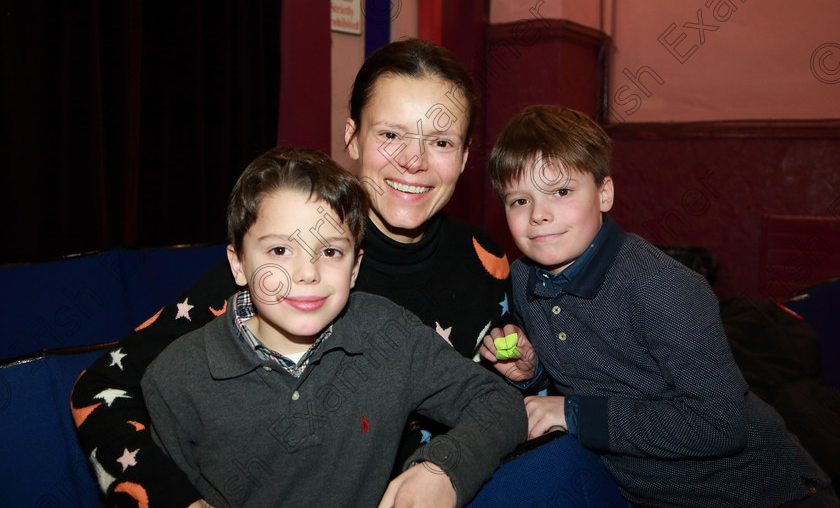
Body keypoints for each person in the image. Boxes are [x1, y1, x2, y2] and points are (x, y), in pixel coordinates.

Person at [71, 38, 519, 508]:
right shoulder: (282, 272)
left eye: (441, 141)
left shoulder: (484, 256)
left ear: (466, 157)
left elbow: (506, 392)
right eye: (391, 134)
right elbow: (103, 389)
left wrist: (450, 463)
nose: (414, 160)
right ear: (352, 137)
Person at [480, 105, 837, 507]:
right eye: (519, 200)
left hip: (762, 495)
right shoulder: (526, 278)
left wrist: (577, 415)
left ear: (604, 193)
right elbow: (583, 379)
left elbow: (719, 425)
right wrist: (531, 372)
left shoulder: (661, 287)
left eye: (561, 192)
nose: (539, 215)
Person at [140, 147, 526, 508]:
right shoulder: (177, 377)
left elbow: (500, 405)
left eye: (329, 252)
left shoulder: (388, 334)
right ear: (238, 264)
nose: (307, 273)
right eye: (279, 250)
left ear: (355, 268)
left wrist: (443, 468)